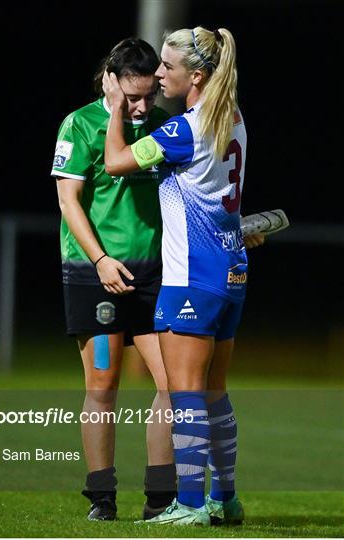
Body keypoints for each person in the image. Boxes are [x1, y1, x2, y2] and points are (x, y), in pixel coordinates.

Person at [104, 25, 251, 526]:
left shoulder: (185, 128)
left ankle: (189, 504)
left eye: (167, 66)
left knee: (186, 391)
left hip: (191, 274)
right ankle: (225, 500)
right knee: (214, 392)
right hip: (231, 271)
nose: (159, 73)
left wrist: (116, 107)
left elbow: (116, 161)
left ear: (196, 74)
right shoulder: (234, 119)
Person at [51, 38, 177, 522]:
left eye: (149, 96)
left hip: (152, 275)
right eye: (133, 97)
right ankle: (101, 498)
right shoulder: (80, 124)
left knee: (171, 383)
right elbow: (69, 203)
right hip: (94, 274)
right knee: (103, 384)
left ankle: (160, 499)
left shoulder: (162, 126)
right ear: (111, 80)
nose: (143, 105)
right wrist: (101, 259)